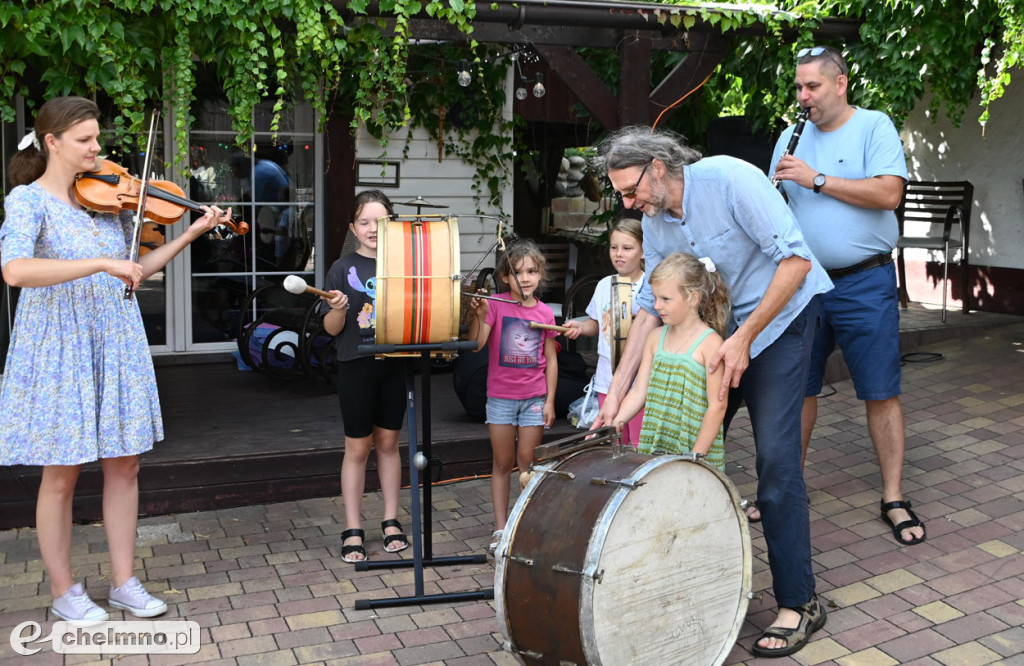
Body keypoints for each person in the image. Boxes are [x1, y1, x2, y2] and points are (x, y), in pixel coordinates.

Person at [591, 126, 833, 659]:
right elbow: (653, 310)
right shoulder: (654, 221)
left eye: (631, 190)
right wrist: (617, 388)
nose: (629, 204)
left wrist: (744, 338)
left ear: (659, 166)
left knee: (776, 462)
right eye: (622, 196)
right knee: (680, 461)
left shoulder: (731, 180)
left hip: (780, 325)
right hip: (717, 340)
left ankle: (800, 601)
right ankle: (686, 590)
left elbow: (797, 262)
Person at [0, 96, 232, 622]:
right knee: (61, 471)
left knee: (125, 464)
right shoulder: (27, 201)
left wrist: (190, 232)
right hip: (58, 342)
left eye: (96, 137)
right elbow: (14, 270)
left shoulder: (104, 202)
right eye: (84, 139)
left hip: (114, 337)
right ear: (52, 142)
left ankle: (125, 582)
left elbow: (136, 269)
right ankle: (65, 591)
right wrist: (100, 261)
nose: (97, 148)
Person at [770, 46, 924, 546]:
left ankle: (894, 496)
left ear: (841, 83)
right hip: (804, 283)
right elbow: (774, 211)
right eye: (798, 87)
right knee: (799, 390)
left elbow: (888, 194)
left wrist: (815, 179)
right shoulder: (789, 139)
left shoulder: (873, 126)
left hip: (864, 280)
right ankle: (785, 489)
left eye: (811, 86)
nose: (803, 96)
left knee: (880, 389)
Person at [321, 190, 409, 563]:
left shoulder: (406, 264)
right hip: (356, 366)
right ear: (353, 229)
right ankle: (353, 527)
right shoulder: (341, 268)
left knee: (389, 444)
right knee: (358, 448)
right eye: (364, 222)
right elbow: (330, 328)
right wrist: (338, 308)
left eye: (380, 221)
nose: (373, 229)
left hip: (395, 365)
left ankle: (390, 520)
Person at [467, 239, 558, 552]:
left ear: (540, 274)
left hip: (534, 397)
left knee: (527, 465)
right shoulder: (495, 304)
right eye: (519, 273)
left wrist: (549, 400)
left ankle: (524, 524)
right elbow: (477, 345)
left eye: (532, 271)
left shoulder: (546, 313)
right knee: (502, 463)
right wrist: (478, 314)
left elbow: (552, 359)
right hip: (502, 398)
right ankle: (501, 527)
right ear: (505, 277)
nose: (527, 278)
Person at [612, 253, 730, 469]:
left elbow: (718, 406)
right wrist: (617, 421)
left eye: (665, 299)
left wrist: (696, 458)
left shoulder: (711, 343)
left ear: (693, 298)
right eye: (655, 298)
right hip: (657, 446)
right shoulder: (655, 338)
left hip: (695, 450)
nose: (656, 306)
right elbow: (639, 391)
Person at [562, 217, 646, 447]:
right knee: (615, 443)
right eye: (614, 247)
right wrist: (580, 327)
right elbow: (597, 324)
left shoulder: (650, 286)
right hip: (606, 380)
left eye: (627, 248)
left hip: (640, 381)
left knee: (639, 445)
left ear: (643, 251)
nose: (619, 254)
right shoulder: (604, 285)